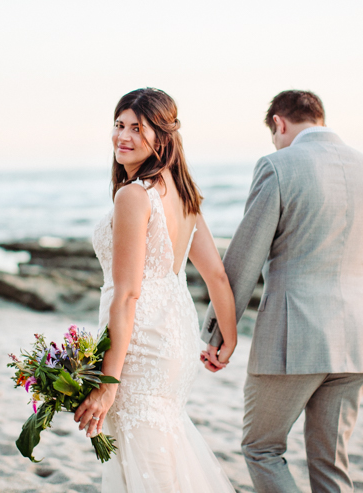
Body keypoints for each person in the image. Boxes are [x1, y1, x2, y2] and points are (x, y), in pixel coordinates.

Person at [200, 90, 363, 493]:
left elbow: (244, 258)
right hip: (358, 341)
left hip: (294, 340)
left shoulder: (277, 166)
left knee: (262, 449)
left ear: (279, 122)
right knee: (331, 463)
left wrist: (219, 333)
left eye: (273, 133)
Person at [73, 87, 238, 492]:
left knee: (145, 460)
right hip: (175, 338)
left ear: (162, 136)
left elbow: (127, 293)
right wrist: (227, 340)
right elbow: (215, 274)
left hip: (142, 345)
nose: (122, 137)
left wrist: (107, 385)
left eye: (136, 128)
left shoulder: (134, 196)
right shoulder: (182, 193)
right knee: (161, 449)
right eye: (118, 125)